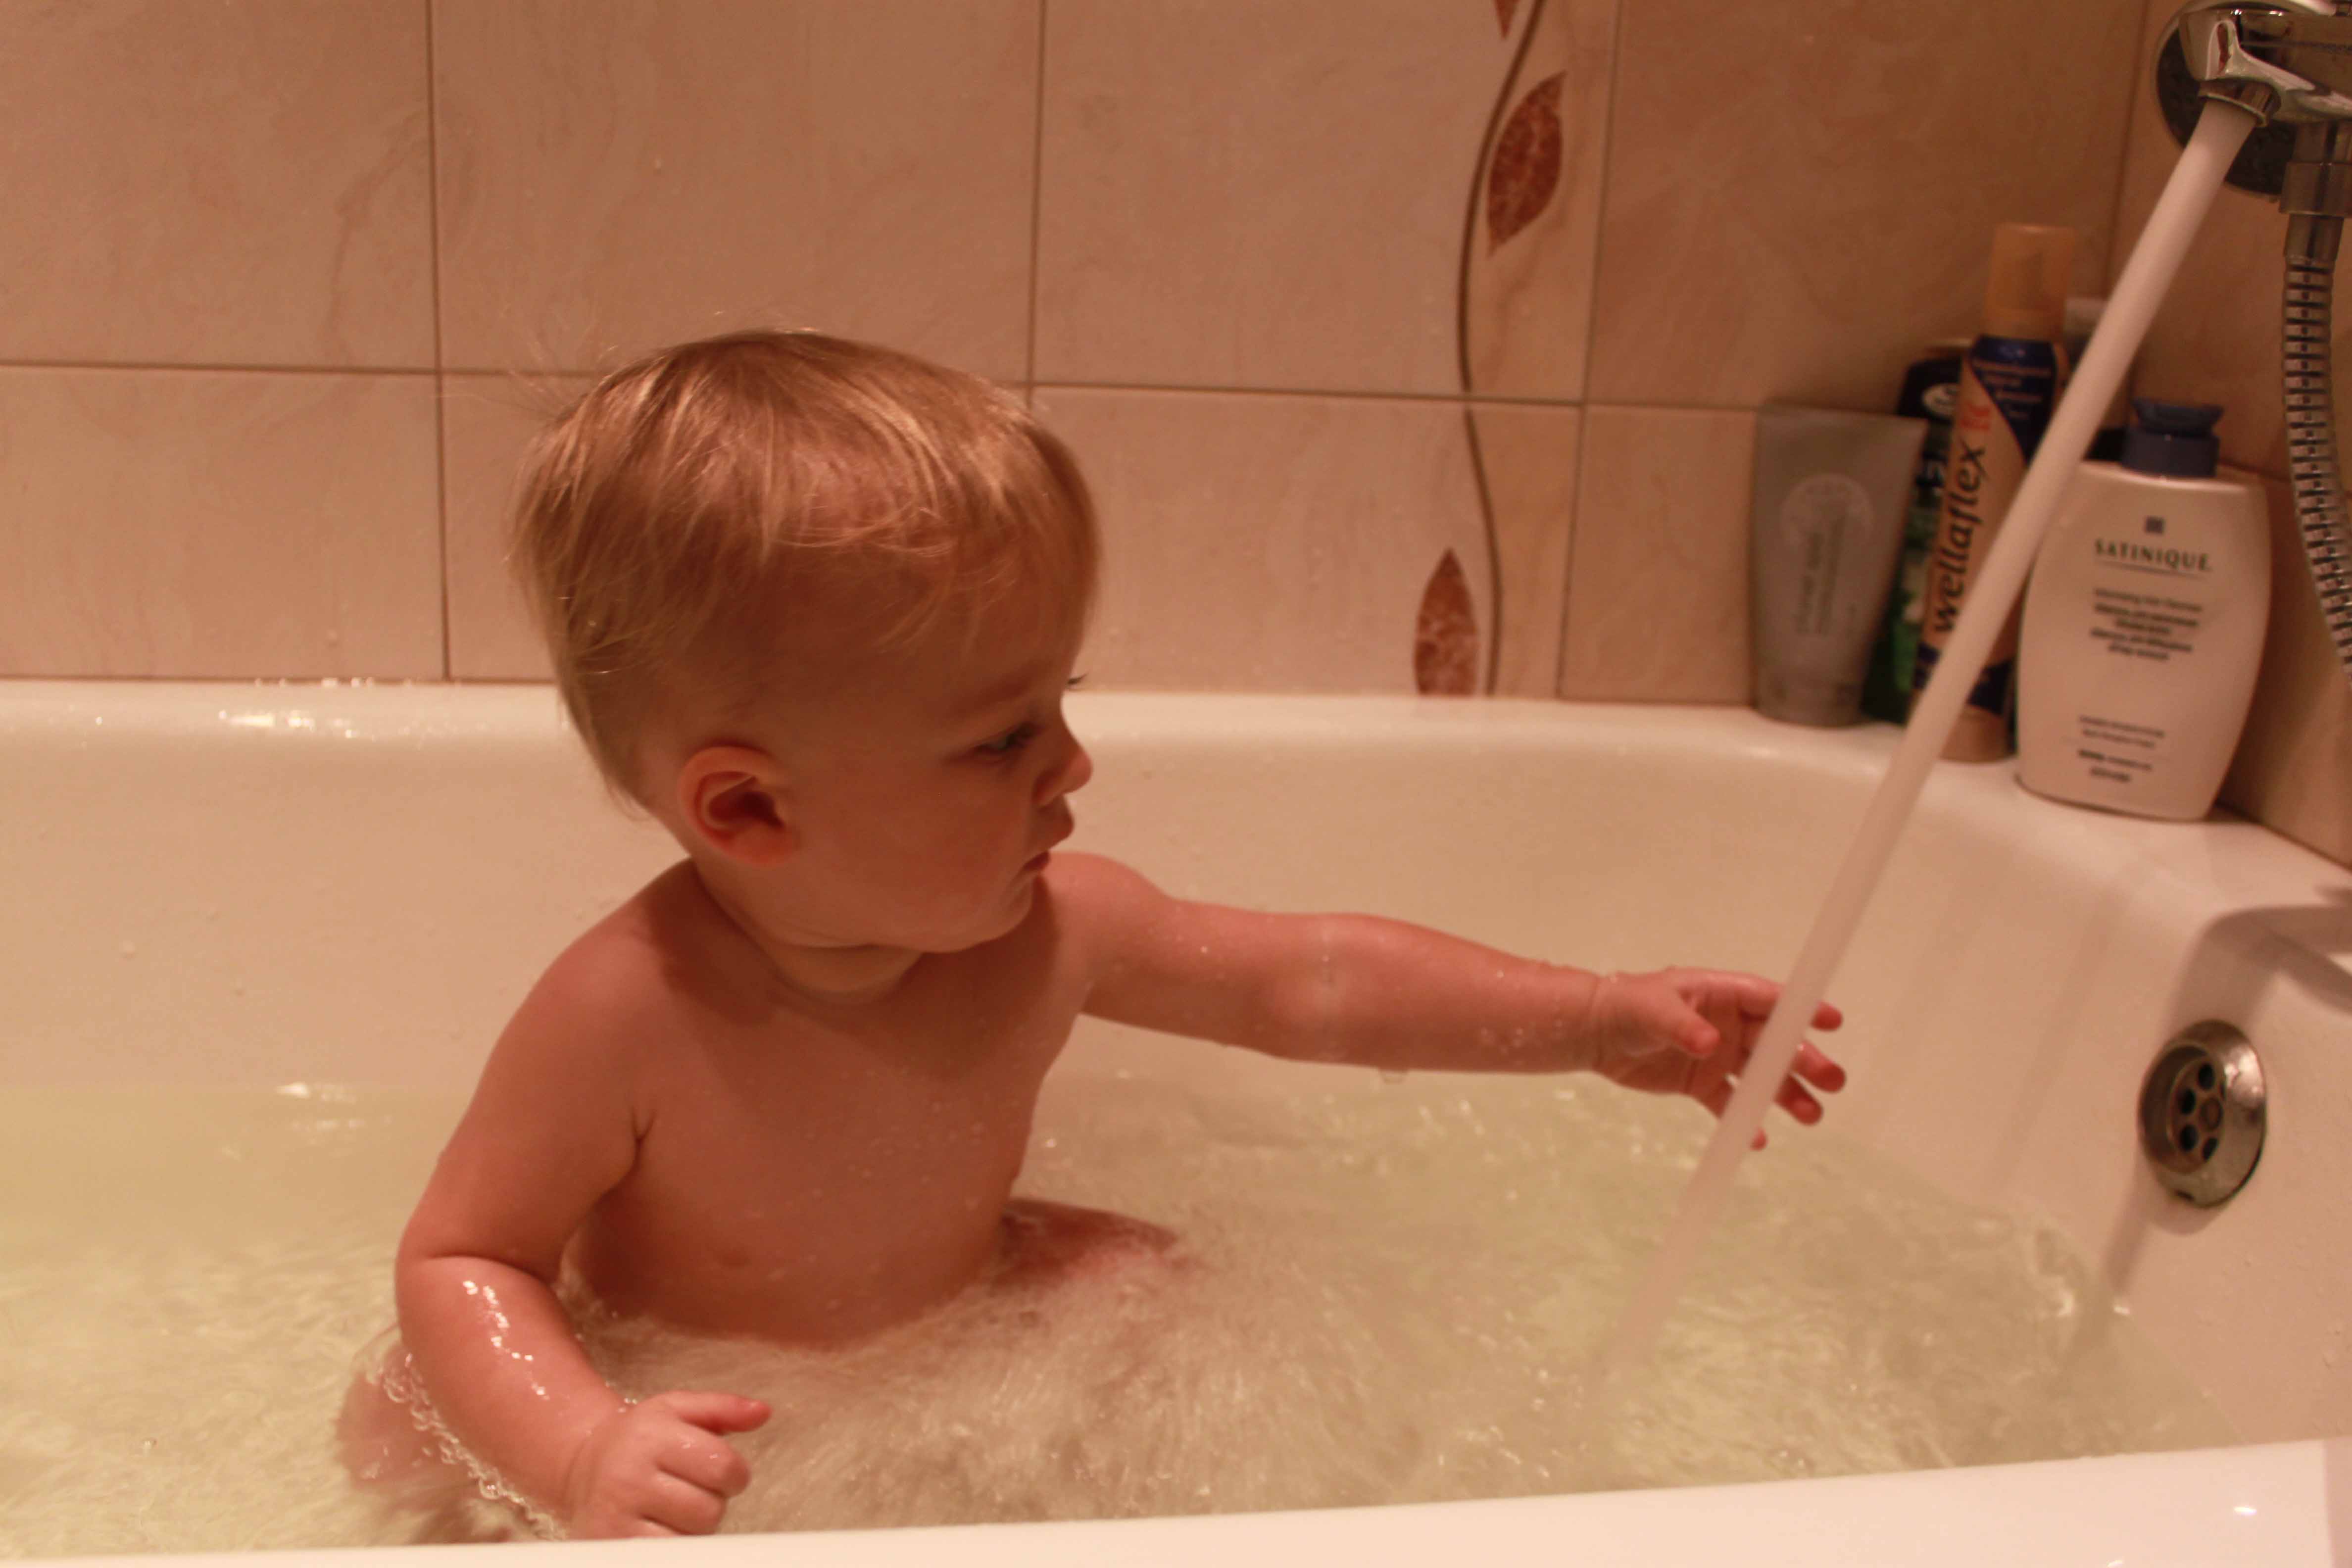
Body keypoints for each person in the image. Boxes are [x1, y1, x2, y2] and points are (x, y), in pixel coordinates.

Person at [338, 329, 1845, 1541]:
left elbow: (1311, 982)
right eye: (1003, 740)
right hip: (680, 1378)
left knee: (1165, 1296)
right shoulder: (627, 1012)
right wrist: (582, 1447)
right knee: (405, 1421)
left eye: (1058, 705)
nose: (1073, 765)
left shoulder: (1054, 930)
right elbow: (467, 1257)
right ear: (750, 810)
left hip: (954, 1322)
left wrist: (1596, 1018)